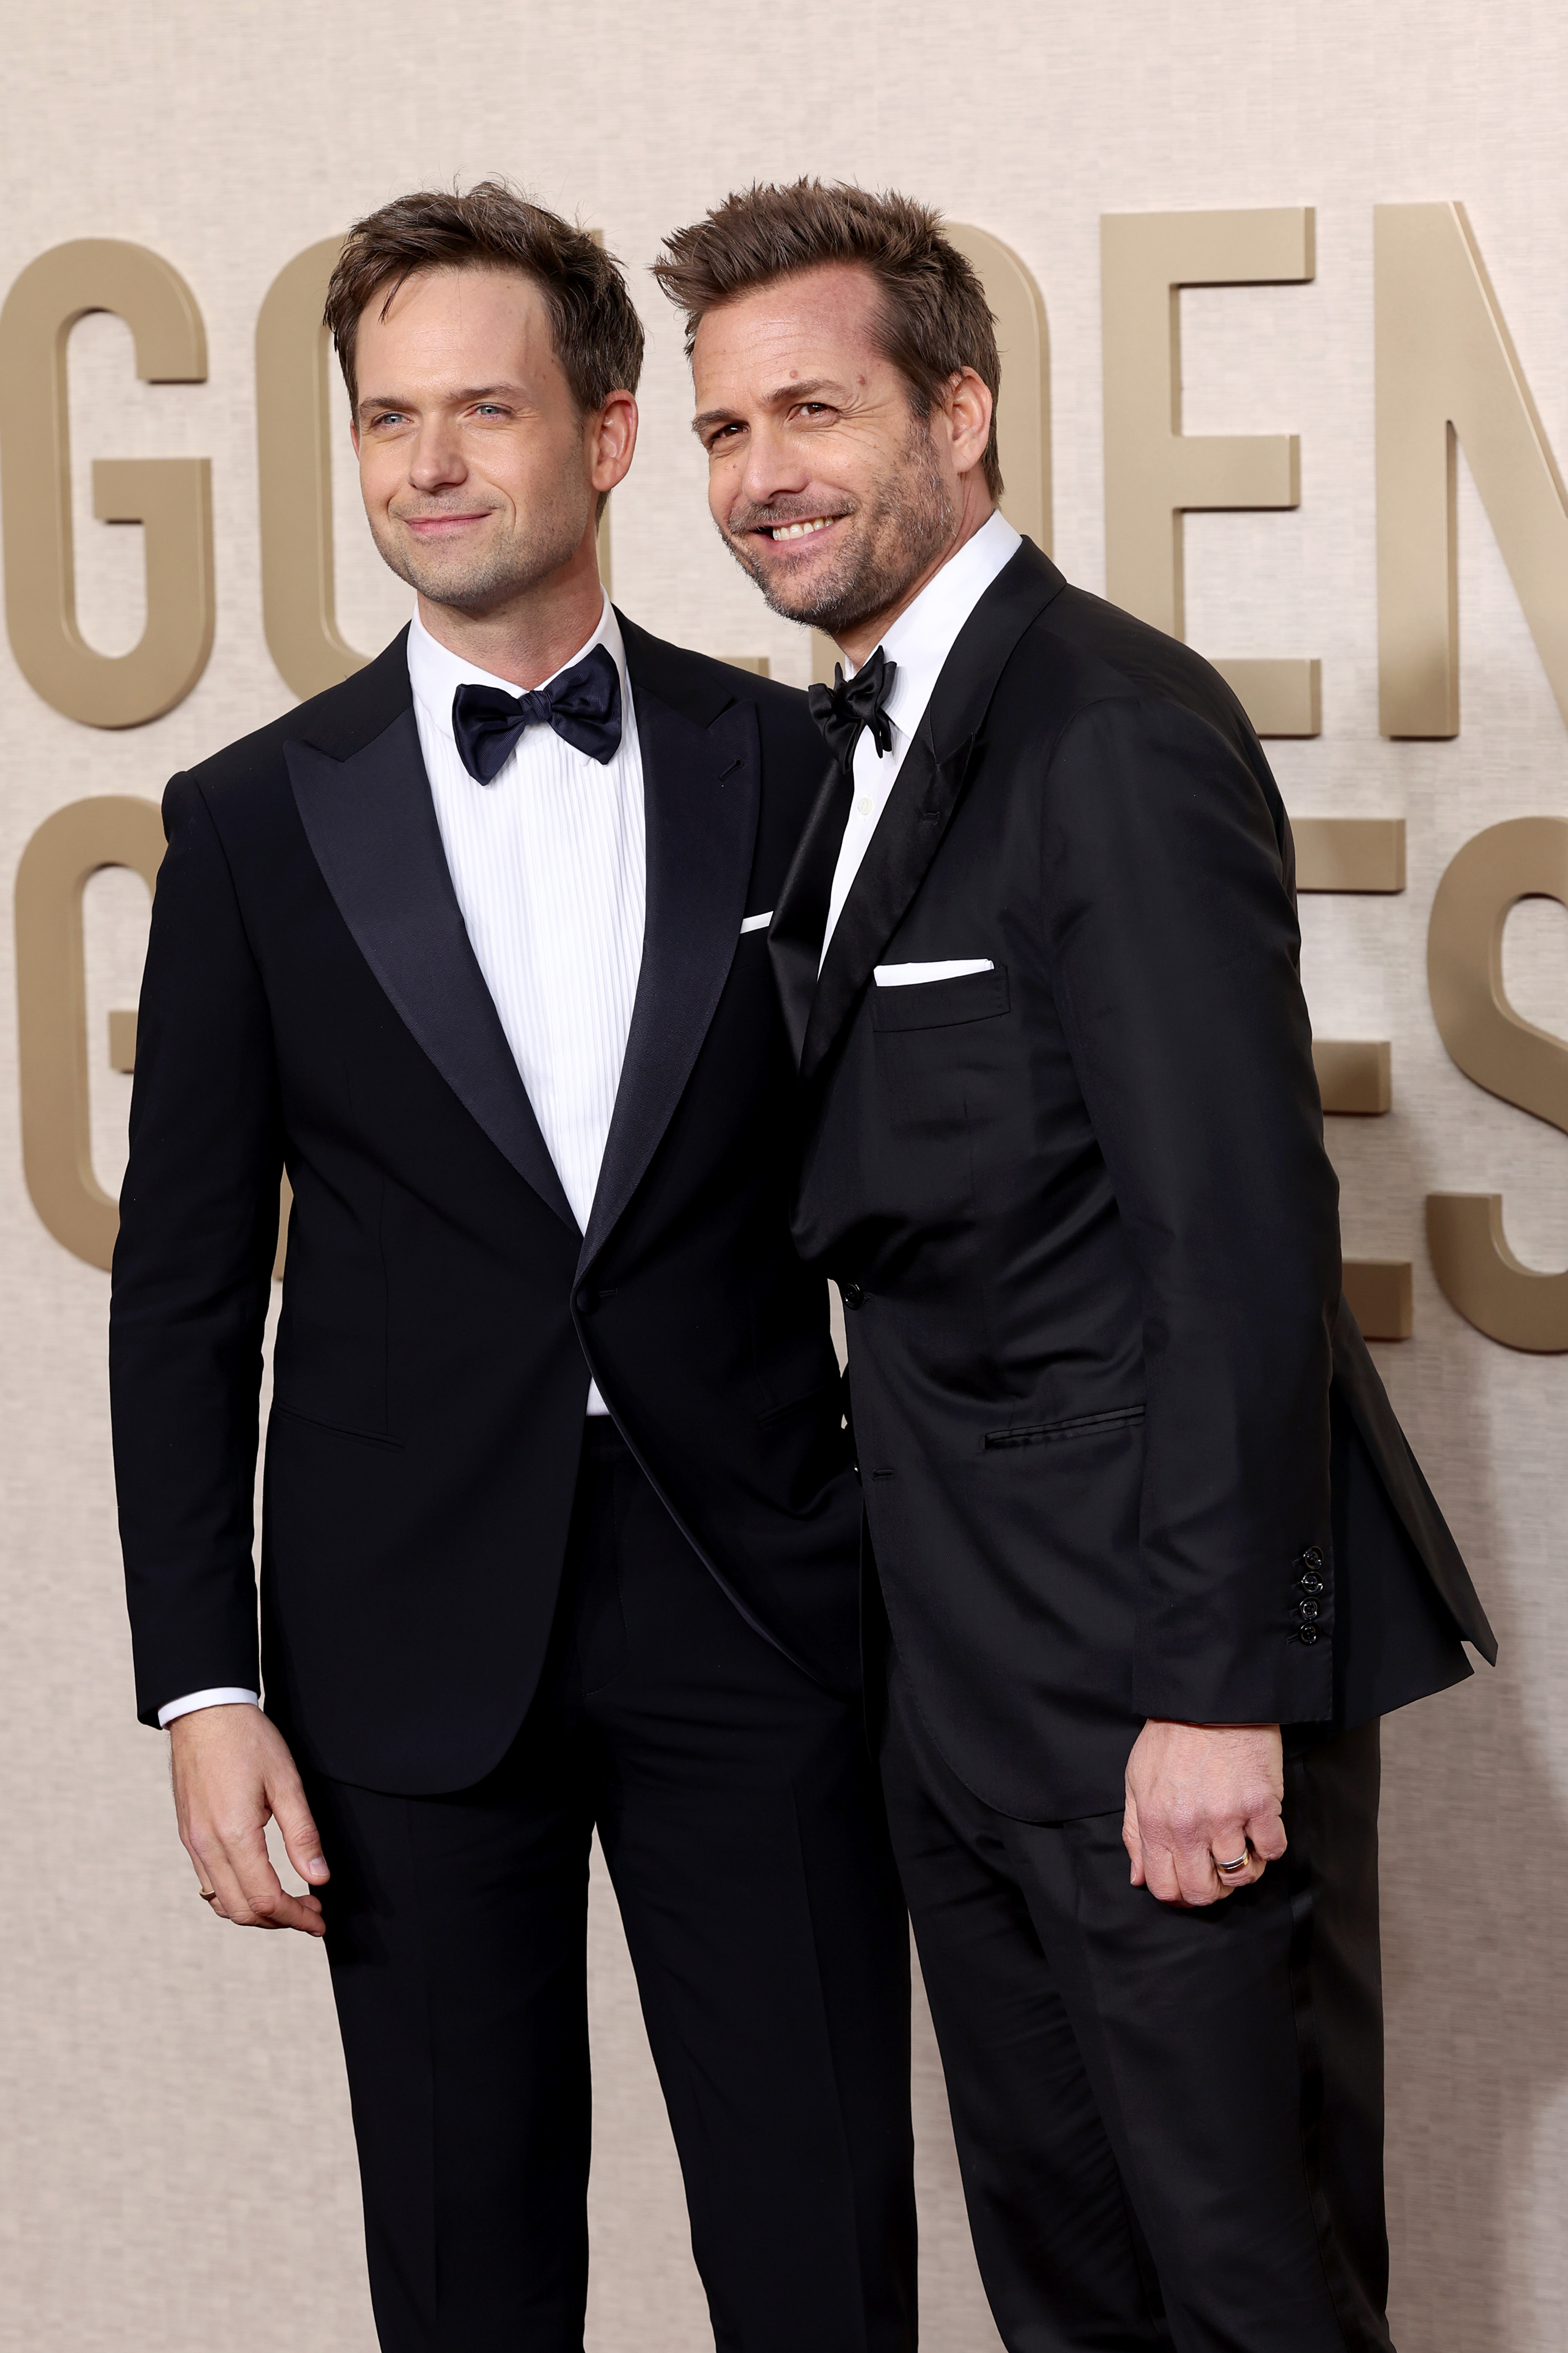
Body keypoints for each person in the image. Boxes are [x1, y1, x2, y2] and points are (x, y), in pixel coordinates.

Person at [654, 178, 1497, 2353]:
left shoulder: (1110, 729)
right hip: (963, 1682)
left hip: (1160, 1681)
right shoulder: (851, 742)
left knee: (1252, 2289)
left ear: (963, 410)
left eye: (815, 413)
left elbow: (1238, 1233)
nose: (764, 481)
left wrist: (1215, 1692)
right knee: (1070, 2280)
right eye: (728, 433)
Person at [110, 182, 916, 2353]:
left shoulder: (794, 768)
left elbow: (910, 1189)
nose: (434, 463)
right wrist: (203, 1687)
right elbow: (185, 1292)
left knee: (822, 2247)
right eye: (389, 422)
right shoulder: (253, 822)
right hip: (394, 1632)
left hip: (753, 1593)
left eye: (483, 407)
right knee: (465, 2273)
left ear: (615, 433)